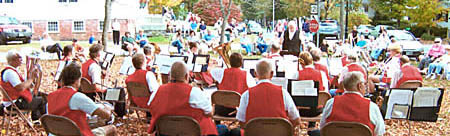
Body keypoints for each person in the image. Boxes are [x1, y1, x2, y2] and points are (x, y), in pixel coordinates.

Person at [231, 60, 301, 136]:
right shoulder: (283, 93)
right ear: (272, 74)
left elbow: (242, 122)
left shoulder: (246, 94)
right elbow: (296, 120)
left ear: (255, 74)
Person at [148, 61, 218, 136]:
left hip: (165, 133)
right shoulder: (194, 92)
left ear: (169, 76)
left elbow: (151, 108)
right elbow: (209, 113)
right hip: (194, 133)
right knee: (223, 128)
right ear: (186, 76)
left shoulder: (157, 91)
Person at [47, 63, 116, 136]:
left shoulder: (50, 96)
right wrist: (108, 109)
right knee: (112, 128)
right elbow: (106, 115)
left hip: (57, 133)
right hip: (77, 134)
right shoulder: (77, 97)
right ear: (77, 80)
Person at [316, 72, 385, 136]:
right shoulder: (372, 106)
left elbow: (323, 127)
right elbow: (380, 132)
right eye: (364, 84)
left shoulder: (331, 103)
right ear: (360, 86)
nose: (365, 86)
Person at [0, 51, 46, 121]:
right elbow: (20, 88)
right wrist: (32, 78)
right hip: (14, 104)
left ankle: (36, 120)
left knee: (39, 94)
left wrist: (30, 82)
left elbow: (23, 86)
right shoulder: (10, 73)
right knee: (42, 100)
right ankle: (42, 121)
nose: (21, 59)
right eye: (20, 58)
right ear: (13, 60)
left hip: (15, 100)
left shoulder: (12, 71)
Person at [211, 53, 256, 117]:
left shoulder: (221, 72)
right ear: (241, 62)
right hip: (239, 110)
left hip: (221, 109)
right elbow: (253, 88)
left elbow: (212, 71)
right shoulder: (246, 74)